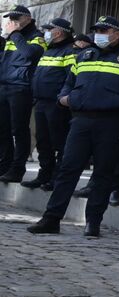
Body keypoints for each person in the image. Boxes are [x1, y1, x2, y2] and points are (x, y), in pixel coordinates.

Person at [27, 16, 119, 237]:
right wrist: (64, 97)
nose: (100, 34)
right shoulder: (84, 55)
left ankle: (93, 222)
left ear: (118, 34)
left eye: (105, 30)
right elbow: (68, 82)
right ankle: (51, 219)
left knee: (103, 174)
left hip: (110, 123)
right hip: (80, 121)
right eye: (97, 30)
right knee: (67, 170)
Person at [24, 18, 77, 191]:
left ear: (59, 32)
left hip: (56, 105)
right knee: (42, 141)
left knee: (59, 142)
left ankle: (56, 179)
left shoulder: (69, 51)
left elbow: (71, 78)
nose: (46, 32)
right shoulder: (49, 51)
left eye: (50, 29)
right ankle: (44, 175)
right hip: (40, 102)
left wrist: (62, 99)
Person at [0, 4, 45, 183]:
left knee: (19, 129)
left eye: (16, 18)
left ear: (27, 18)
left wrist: (15, 34)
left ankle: (18, 168)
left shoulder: (37, 37)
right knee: (2, 129)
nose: (12, 22)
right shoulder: (11, 38)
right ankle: (5, 164)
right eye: (10, 19)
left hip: (22, 88)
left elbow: (30, 54)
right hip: (4, 86)